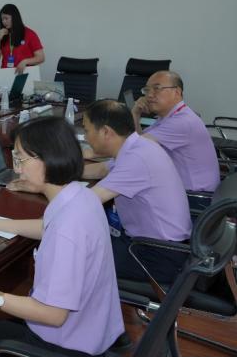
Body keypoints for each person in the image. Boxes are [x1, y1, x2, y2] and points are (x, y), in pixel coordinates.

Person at [0, 117, 123, 357]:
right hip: (87, 329)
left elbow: (53, 315)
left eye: (21, 159)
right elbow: (47, 227)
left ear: (47, 159)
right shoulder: (80, 196)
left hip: (65, 346)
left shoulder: (68, 227)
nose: (17, 169)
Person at [69, 100, 190, 284]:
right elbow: (102, 169)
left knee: (74, 256)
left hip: (156, 255)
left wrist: (45, 187)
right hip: (159, 245)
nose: (85, 137)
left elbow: (86, 202)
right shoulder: (139, 146)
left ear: (106, 132)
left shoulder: (136, 159)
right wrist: (55, 172)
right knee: (84, 241)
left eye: (87, 130)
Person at [131, 71, 220, 193]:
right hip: (187, 189)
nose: (149, 95)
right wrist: (135, 114)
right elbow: (138, 141)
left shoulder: (181, 122)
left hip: (195, 196)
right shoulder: (172, 115)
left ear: (177, 92)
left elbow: (134, 148)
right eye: (147, 90)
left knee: (128, 189)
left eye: (157, 88)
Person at [0, 3, 44, 74]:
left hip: (24, 74)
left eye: (6, 18)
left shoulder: (30, 34)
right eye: (2, 19)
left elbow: (41, 57)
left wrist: (25, 61)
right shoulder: (4, 35)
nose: (4, 22)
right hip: (5, 74)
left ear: (15, 17)